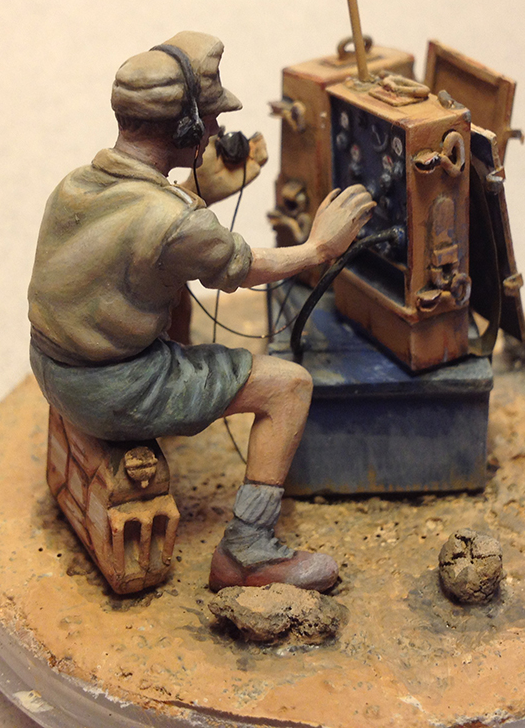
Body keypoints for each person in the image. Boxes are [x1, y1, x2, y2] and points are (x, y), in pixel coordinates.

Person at [28, 31, 373, 592]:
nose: (214, 129)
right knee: (288, 386)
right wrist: (318, 249)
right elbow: (241, 266)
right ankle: (247, 551)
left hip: (52, 371)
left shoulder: (78, 185)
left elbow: (143, 237)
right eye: (209, 118)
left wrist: (195, 190)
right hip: (111, 391)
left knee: (168, 290)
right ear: (185, 126)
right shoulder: (175, 221)